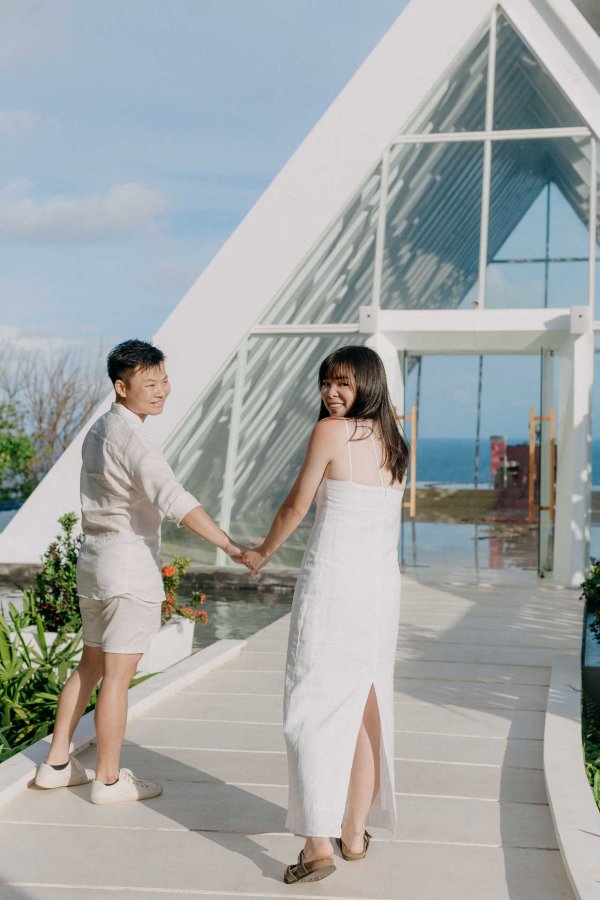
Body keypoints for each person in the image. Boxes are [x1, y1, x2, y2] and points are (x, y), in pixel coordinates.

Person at [35, 339, 245, 804]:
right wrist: (231, 547)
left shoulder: (99, 429)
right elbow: (175, 500)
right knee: (116, 677)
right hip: (128, 568)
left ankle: (56, 764)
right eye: (150, 384)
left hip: (94, 565)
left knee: (90, 664)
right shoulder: (134, 438)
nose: (162, 390)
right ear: (121, 386)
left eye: (164, 380)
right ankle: (108, 780)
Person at [243, 345, 409, 884]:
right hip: (380, 593)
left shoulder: (330, 433)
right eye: (326, 383)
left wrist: (261, 553)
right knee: (366, 707)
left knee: (311, 705)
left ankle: (317, 843)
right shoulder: (396, 442)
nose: (331, 393)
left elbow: (296, 505)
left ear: (367, 384)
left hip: (334, 586)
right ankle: (354, 834)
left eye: (343, 383)